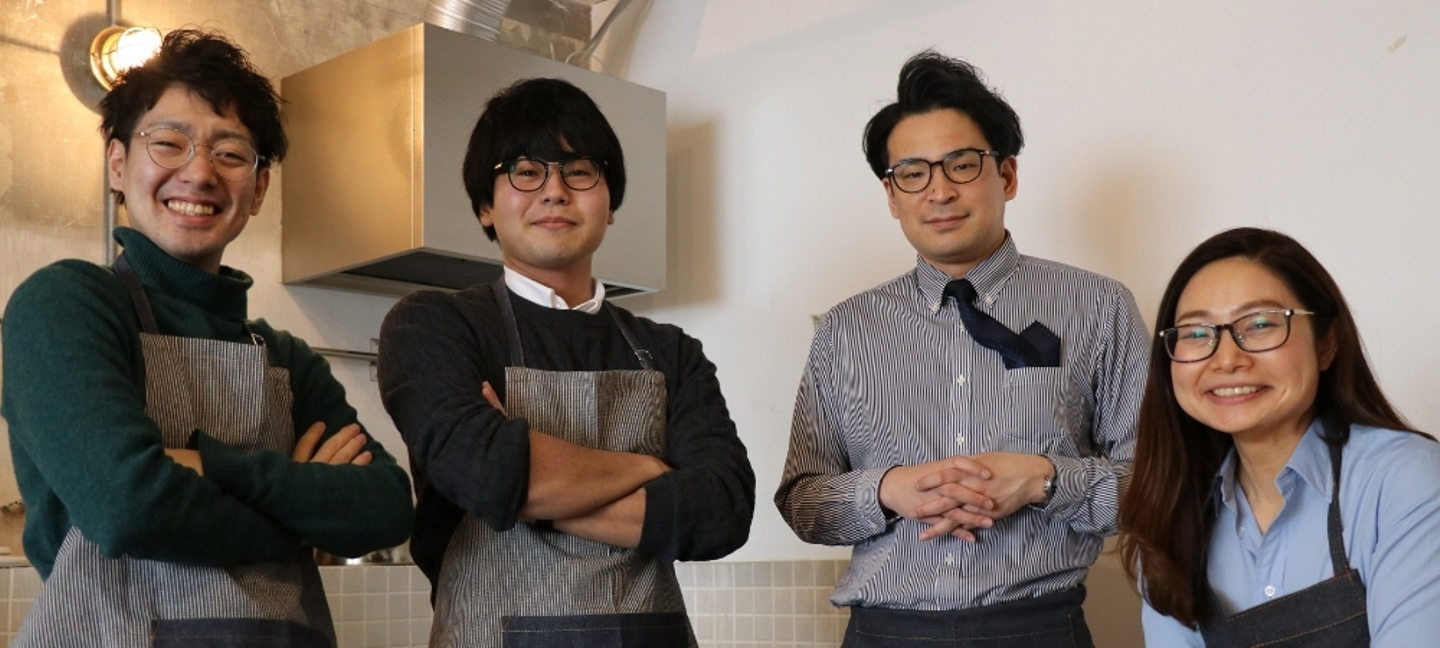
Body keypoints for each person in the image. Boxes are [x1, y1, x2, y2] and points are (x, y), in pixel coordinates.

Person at [0, 30, 414, 647]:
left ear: (259, 188)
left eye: (230, 153)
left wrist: (210, 465)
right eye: (168, 143)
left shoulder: (287, 358)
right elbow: (128, 505)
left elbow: (384, 507)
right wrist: (298, 520)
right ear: (118, 163)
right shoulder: (67, 304)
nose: (198, 173)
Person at [774, 50, 1148, 647]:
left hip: (1037, 629)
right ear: (891, 195)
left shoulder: (1099, 306)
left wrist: (1043, 480)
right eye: (913, 173)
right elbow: (802, 502)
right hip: (883, 633)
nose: (939, 191)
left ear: (1007, 175)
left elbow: (1155, 489)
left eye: (962, 165)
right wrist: (886, 490)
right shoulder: (845, 330)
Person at [377, 77, 754, 647]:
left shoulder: (671, 351)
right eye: (526, 171)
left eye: (579, 171)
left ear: (611, 205)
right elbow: (485, 473)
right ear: (485, 206)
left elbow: (722, 512)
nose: (554, 191)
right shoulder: (434, 325)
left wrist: (528, 493)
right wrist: (649, 467)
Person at [1118, 227, 1440, 646]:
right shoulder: (1172, 510)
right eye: (1196, 333)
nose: (1227, 359)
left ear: (1326, 344)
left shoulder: (1404, 479)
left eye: (1260, 324)